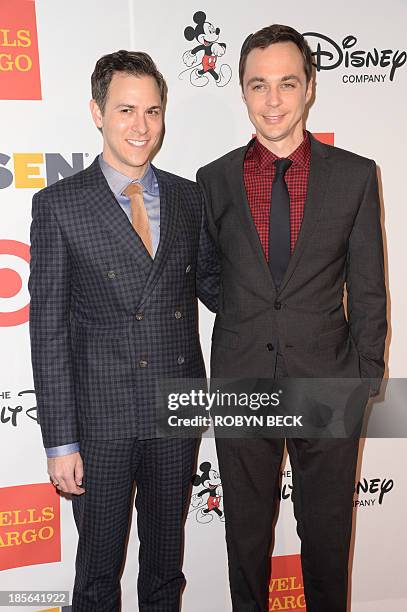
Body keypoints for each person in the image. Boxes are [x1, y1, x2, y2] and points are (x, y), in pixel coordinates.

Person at [197, 24, 387, 612]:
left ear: (309, 89)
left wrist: (363, 382)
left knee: (328, 544)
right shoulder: (213, 180)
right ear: (243, 93)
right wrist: (249, 322)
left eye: (286, 83)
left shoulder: (355, 175)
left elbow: (372, 291)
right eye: (259, 85)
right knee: (245, 541)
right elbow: (207, 275)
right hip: (240, 384)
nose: (272, 99)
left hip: (328, 384)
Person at [29, 50, 218, 612]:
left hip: (175, 414)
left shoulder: (189, 197)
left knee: (165, 572)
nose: (141, 127)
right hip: (99, 423)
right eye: (126, 110)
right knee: (96, 576)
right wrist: (60, 441)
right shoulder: (60, 205)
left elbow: (216, 286)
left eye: (153, 112)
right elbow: (48, 331)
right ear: (97, 112)